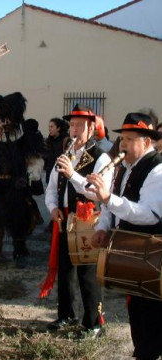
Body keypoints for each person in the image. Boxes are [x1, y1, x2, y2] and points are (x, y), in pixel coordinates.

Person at [88, 113, 162, 360]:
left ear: (147, 143)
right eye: (122, 139)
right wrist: (102, 227)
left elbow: (149, 214)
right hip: (132, 255)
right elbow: (110, 207)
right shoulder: (125, 168)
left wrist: (108, 197)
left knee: (151, 319)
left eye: (130, 140)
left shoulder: (157, 170)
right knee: (138, 317)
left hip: (151, 259)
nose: (123, 145)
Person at [43, 104, 112, 338]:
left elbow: (96, 192)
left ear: (91, 128)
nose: (74, 130)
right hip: (64, 218)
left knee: (87, 273)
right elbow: (52, 187)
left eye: (80, 125)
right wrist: (52, 208)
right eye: (72, 125)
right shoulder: (66, 154)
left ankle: (94, 323)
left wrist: (72, 174)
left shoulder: (101, 157)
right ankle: (66, 315)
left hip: (87, 219)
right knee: (66, 269)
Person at [0, 92, 42, 269]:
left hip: (17, 186)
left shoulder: (24, 138)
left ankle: (20, 251)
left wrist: (28, 177)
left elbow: (35, 160)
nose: (5, 124)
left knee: (19, 219)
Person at [44, 117, 69, 184]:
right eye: (49, 127)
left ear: (58, 128)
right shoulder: (48, 141)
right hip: (49, 175)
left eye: (52, 127)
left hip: (61, 176)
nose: (49, 129)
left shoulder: (66, 140)